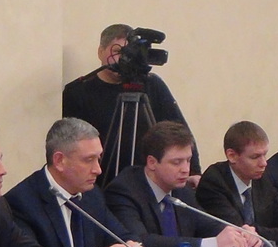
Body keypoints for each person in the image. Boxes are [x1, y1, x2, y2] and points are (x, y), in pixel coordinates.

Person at [62, 24, 201, 187]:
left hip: (148, 179)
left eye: (129, 53)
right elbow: (69, 143)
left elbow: (179, 130)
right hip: (99, 180)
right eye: (118, 51)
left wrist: (193, 171)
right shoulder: (78, 91)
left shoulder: (151, 84)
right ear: (100, 51)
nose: (124, 59)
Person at [6, 118, 146, 247]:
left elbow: (121, 234)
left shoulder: (91, 194)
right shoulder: (21, 201)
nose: (98, 170)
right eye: (89, 160)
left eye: (98, 158)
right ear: (59, 161)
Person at [106, 122, 262, 247]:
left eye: (188, 160)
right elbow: (140, 241)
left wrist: (237, 233)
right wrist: (207, 245)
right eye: (176, 162)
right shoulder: (124, 191)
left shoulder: (182, 190)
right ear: (152, 162)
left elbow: (206, 224)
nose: (186, 169)